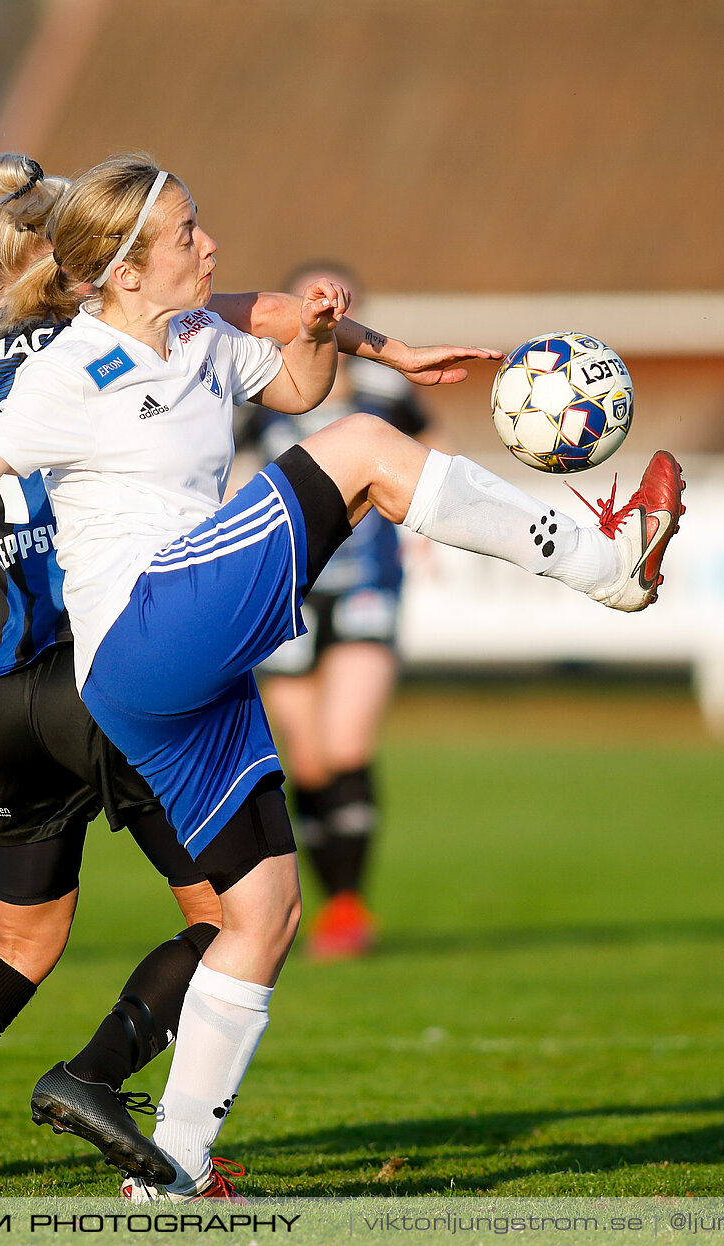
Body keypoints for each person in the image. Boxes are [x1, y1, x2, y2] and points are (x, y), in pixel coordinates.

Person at [0, 155, 685, 1201]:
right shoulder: (71, 369)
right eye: (187, 234)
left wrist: (319, 328)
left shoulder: (201, 338)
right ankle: (611, 564)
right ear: (127, 271)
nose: (209, 245)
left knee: (264, 907)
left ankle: (169, 1163)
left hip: (174, 674)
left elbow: (300, 386)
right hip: (145, 631)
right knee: (363, 444)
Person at [0, 154, 497, 1197]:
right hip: (118, 666)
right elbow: (271, 311)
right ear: (87, 260)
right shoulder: (125, 338)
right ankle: (110, 1091)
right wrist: (369, 339)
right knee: (237, 914)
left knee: (19, 944)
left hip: (8, 689)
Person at [238, 262, 429, 960]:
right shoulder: (261, 396)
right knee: (309, 762)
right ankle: (330, 906)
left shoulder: (386, 397)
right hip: (285, 594)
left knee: (347, 743)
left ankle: (349, 912)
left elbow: (430, 464)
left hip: (367, 586)